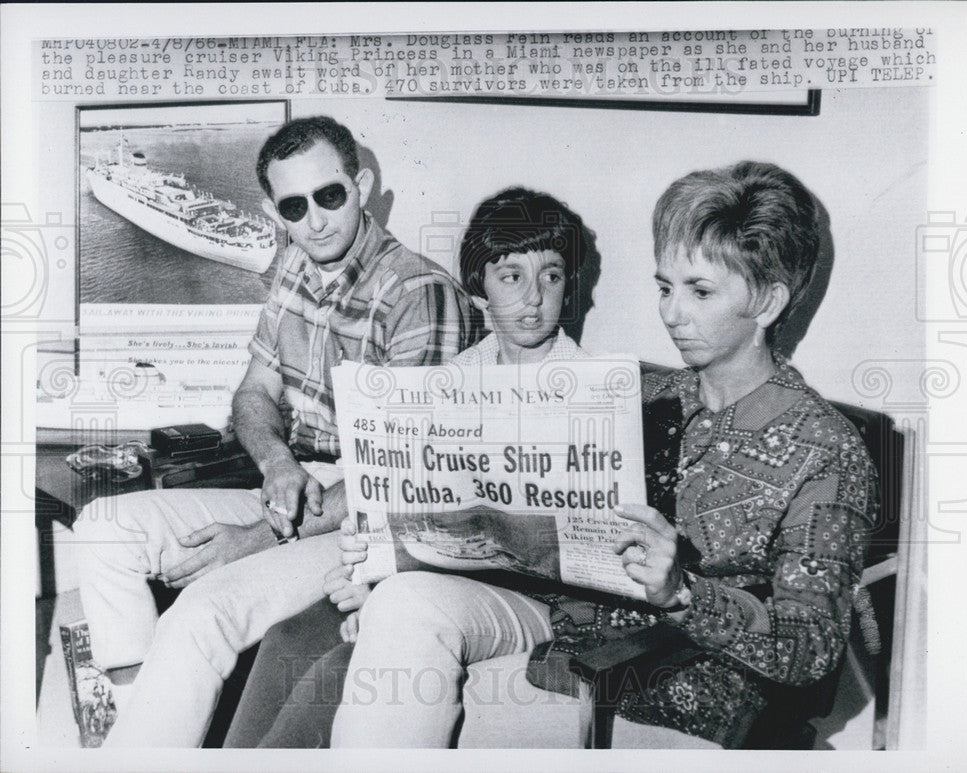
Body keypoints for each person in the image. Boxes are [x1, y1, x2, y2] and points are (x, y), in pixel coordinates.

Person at [329, 161, 879, 749]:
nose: (671, 313)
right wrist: (395, 555)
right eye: (665, 288)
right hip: (562, 623)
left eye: (699, 291)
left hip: (673, 675)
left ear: (769, 301)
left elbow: (810, 647)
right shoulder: (631, 393)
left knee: (483, 697)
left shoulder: (827, 450)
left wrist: (686, 593)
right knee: (403, 605)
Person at [73, 115, 475, 746]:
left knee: (203, 612)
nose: (314, 220)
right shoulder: (294, 266)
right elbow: (255, 390)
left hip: (367, 510)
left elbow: (404, 476)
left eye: (329, 196)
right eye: (294, 206)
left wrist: (259, 536)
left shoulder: (418, 293)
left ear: (362, 185)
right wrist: (277, 465)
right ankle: (136, 734)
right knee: (101, 529)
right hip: (299, 481)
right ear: (274, 210)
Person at [222, 186, 591, 746]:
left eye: (552, 276)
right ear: (481, 285)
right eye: (511, 276)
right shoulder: (446, 383)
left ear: (571, 285)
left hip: (534, 600)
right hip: (430, 580)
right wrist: (368, 571)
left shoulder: (593, 388)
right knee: (287, 642)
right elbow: (405, 505)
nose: (534, 298)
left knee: (332, 673)